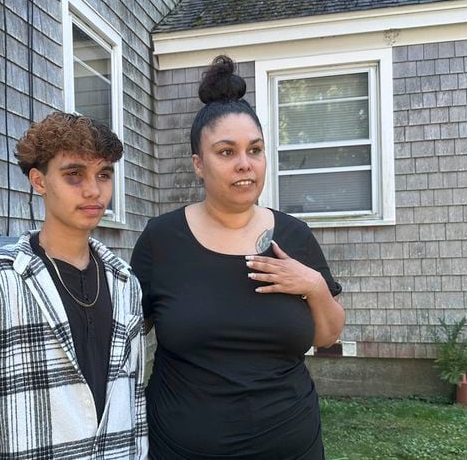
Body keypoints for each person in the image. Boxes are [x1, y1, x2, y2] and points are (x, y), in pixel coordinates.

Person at [131, 56, 345, 459]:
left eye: (255, 149)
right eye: (226, 152)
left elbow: (327, 335)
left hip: (290, 445)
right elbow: (123, 337)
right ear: (199, 164)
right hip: (181, 447)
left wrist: (314, 286)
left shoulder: (294, 235)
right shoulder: (162, 240)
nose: (244, 163)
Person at [0, 112, 148, 458]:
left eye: (104, 175)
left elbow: (135, 401)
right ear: (39, 181)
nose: (94, 190)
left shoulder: (125, 283)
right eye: (74, 175)